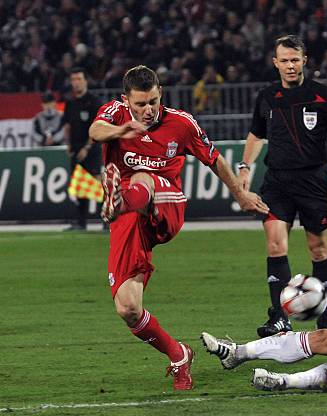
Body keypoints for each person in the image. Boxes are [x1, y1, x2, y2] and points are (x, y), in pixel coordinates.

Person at [89, 65, 269, 390]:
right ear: (125, 101)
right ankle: (178, 355)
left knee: (141, 176)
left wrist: (241, 195)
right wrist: (120, 132)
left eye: (153, 102)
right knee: (128, 308)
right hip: (131, 219)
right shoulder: (115, 113)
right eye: (140, 104)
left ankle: (119, 197)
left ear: (161, 94)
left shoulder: (181, 123)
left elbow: (213, 158)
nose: (147, 110)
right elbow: (95, 131)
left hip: (166, 202)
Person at [238, 35, 327, 336]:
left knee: (318, 248)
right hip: (277, 181)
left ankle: (324, 317)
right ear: (275, 63)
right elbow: (256, 135)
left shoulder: (322, 95)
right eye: (285, 60)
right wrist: (245, 166)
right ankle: (280, 318)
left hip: (313, 181)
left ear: (304, 60)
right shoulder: (267, 96)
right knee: (275, 244)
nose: (290, 66)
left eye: (295, 60)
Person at [62, 67, 102, 231]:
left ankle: (108, 221)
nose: (76, 82)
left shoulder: (93, 101)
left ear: (85, 81)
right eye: (73, 79)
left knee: (97, 184)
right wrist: (68, 145)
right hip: (76, 149)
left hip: (91, 148)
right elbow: (67, 126)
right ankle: (81, 222)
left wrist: (87, 147)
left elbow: (98, 126)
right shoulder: (70, 103)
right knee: (79, 185)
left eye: (79, 79)